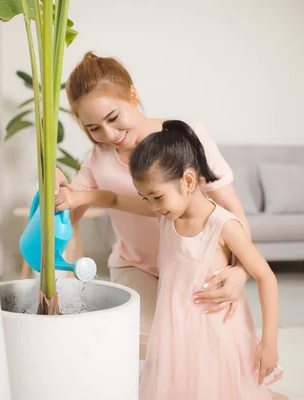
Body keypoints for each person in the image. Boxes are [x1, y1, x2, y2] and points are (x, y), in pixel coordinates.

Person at [56, 120, 286, 399]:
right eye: (145, 198)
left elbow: (266, 277)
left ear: (188, 181)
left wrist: (269, 342)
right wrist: (76, 197)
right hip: (176, 333)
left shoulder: (223, 226)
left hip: (218, 339)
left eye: (156, 197)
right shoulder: (166, 214)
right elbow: (113, 200)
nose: (152, 206)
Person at [56, 51, 250, 359]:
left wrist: (240, 272)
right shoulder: (97, 159)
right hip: (137, 267)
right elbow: (71, 216)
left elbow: (233, 211)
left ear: (132, 94)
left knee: (205, 350)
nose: (109, 135)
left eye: (113, 118)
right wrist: (60, 189)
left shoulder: (187, 136)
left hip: (197, 267)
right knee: (152, 349)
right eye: (93, 128)